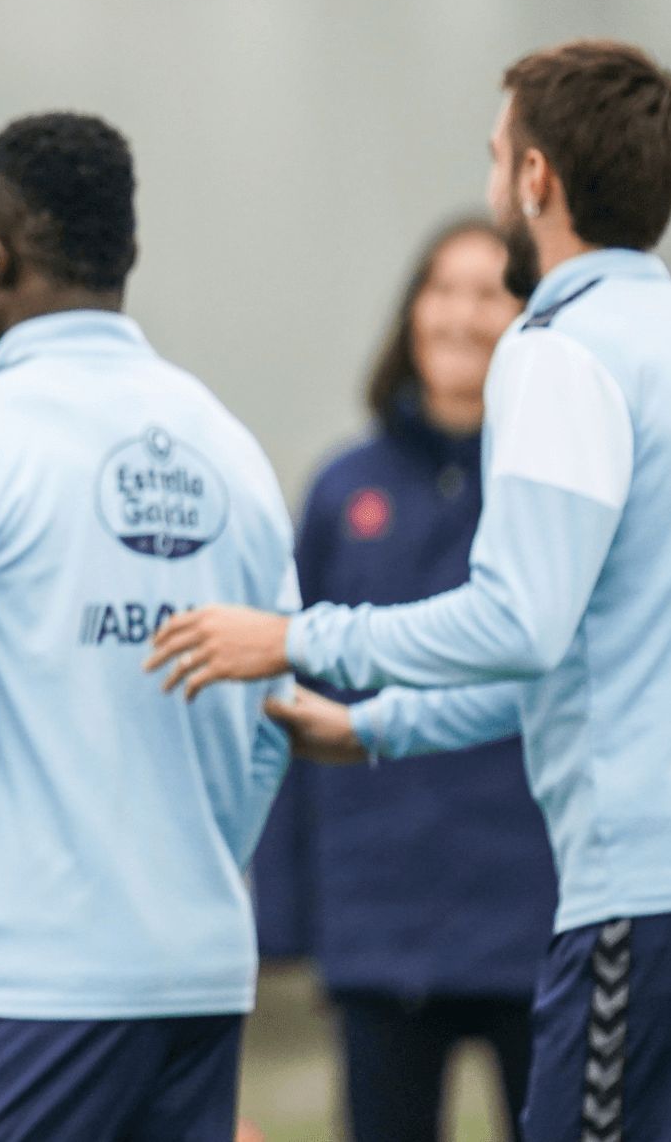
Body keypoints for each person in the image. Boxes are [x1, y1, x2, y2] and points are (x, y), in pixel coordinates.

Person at [152, 39, 671, 1142]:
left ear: (534, 179)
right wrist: (380, 729)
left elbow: (518, 619)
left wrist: (296, 638)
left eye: (497, 156)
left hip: (641, 896)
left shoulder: (557, 347)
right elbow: (589, 652)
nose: (493, 178)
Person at [0, 112, 296, 1142]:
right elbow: (275, 713)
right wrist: (172, 872)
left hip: (16, 995)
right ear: (122, 253)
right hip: (195, 979)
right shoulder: (232, 452)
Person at [250, 218, 554, 1142]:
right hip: (384, 920)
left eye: (489, 291)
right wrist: (285, 909)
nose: (461, 314)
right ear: (411, 310)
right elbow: (291, 698)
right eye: (441, 287)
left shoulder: (551, 487)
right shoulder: (345, 491)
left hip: (537, 914)